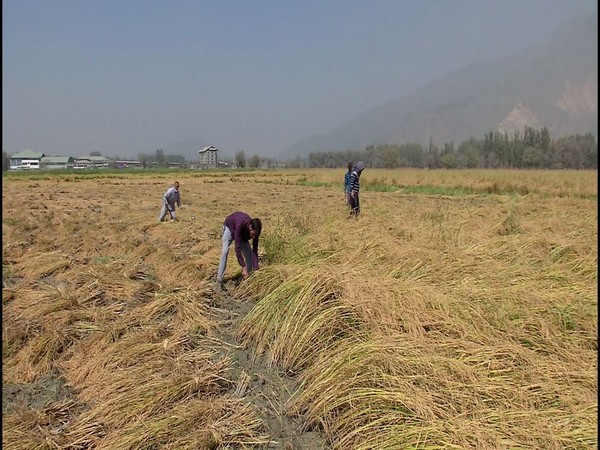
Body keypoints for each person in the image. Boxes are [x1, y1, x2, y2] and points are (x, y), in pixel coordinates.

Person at [217, 212, 262, 289]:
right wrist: (243, 267)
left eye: (256, 235)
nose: (254, 237)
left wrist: (256, 269)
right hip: (230, 228)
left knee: (249, 254)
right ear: (250, 227)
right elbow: (237, 249)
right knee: (224, 251)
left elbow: (255, 251)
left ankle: (246, 279)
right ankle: (219, 281)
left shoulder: (255, 233)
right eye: (253, 234)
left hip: (242, 235)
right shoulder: (240, 224)